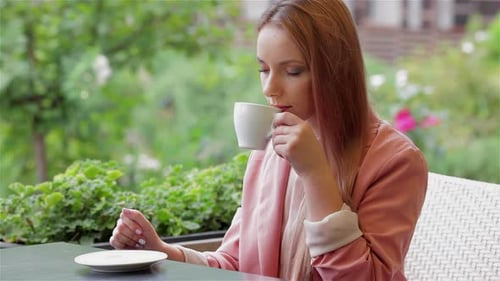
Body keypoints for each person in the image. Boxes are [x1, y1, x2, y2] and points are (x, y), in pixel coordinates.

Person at [109, 0, 428, 280]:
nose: (269, 89)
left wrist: (315, 173)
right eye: (263, 69)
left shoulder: (395, 162)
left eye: (292, 71)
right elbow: (236, 264)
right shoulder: (272, 150)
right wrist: (162, 252)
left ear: (335, 70)